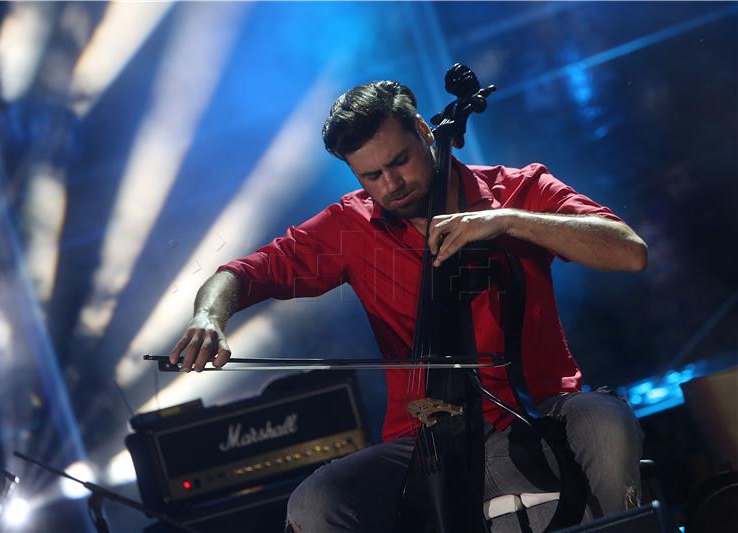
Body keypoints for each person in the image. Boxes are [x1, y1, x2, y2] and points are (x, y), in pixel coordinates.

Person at [169, 81, 649, 532]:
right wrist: (209, 316)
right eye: (371, 176)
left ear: (424, 131)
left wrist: (505, 222)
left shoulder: (517, 190)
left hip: (542, 413)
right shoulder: (350, 226)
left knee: (606, 421)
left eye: (399, 161)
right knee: (315, 504)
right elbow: (241, 273)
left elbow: (628, 251)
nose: (391, 184)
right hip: (426, 441)